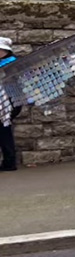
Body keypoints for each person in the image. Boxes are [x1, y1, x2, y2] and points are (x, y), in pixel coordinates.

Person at [0, 36, 20, 172]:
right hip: (4, 101)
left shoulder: (11, 64)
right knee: (3, 130)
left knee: (4, 130)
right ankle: (8, 161)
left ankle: (9, 162)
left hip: (9, 101)